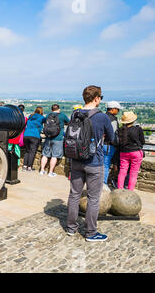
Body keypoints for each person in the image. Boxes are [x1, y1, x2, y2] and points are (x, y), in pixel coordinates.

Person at [66, 86, 114, 242]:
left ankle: (71, 228)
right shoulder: (103, 117)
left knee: (74, 195)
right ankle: (91, 233)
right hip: (94, 161)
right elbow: (112, 137)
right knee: (93, 198)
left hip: (76, 160)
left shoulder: (75, 113)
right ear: (97, 98)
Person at [117, 112, 145, 191]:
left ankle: (119, 189)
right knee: (133, 173)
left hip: (124, 152)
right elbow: (142, 141)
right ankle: (130, 190)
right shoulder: (138, 129)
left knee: (122, 171)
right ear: (133, 121)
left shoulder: (120, 130)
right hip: (136, 152)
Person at [39, 104, 70, 177]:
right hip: (58, 138)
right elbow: (69, 122)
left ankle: (42, 170)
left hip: (48, 137)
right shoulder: (62, 115)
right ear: (58, 109)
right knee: (54, 156)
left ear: (52, 109)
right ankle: (50, 172)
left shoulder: (48, 115)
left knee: (45, 155)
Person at [103, 101, 122, 191]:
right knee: (106, 165)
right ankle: (103, 184)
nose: (117, 111)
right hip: (108, 146)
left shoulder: (102, 116)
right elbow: (112, 135)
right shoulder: (113, 119)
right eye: (117, 110)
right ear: (113, 109)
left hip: (100, 144)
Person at [22, 107, 46, 172]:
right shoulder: (41, 118)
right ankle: (29, 167)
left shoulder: (30, 116)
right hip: (34, 136)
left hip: (26, 135)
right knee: (32, 152)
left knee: (27, 151)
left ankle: (24, 166)